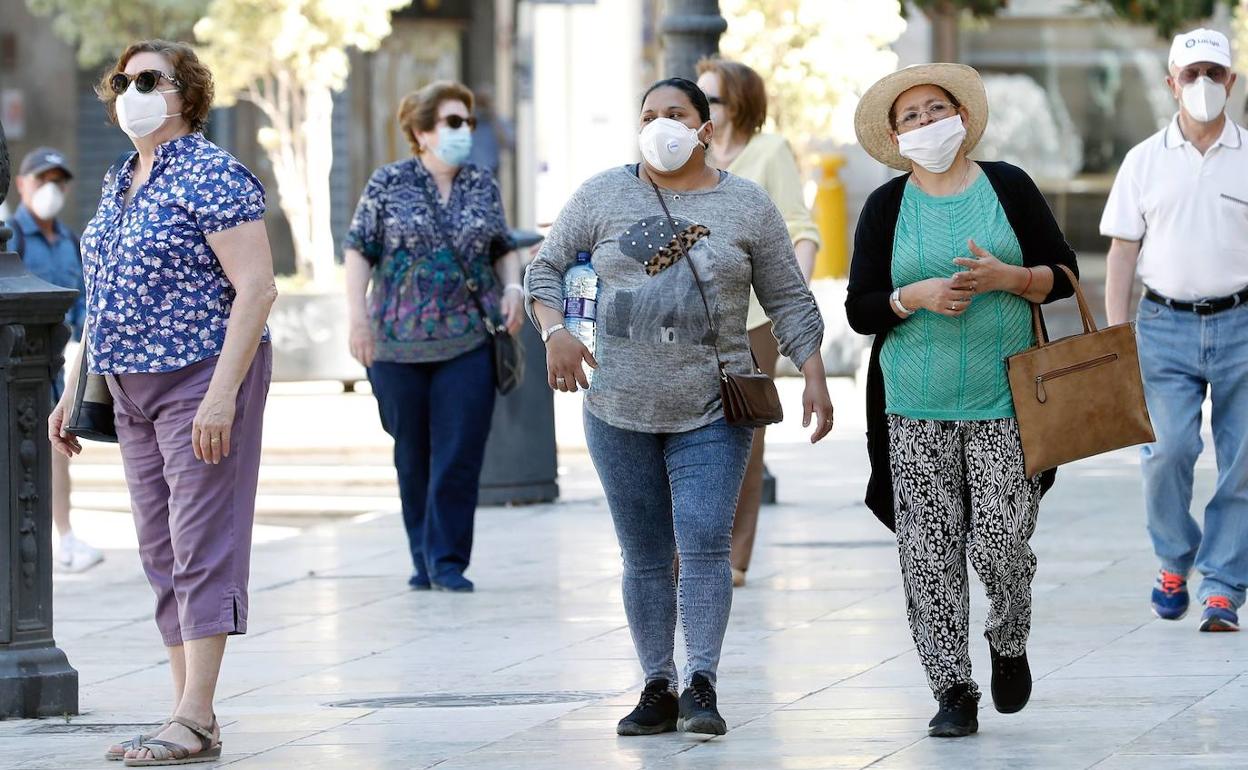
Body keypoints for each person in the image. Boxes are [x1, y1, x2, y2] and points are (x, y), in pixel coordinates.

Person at [526, 77, 833, 737]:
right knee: (642, 552)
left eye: (676, 114)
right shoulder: (604, 194)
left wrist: (814, 374)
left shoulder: (745, 204)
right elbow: (544, 270)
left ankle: (702, 682)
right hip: (617, 406)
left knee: (701, 540)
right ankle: (656, 684)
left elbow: (786, 295)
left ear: (703, 128)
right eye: (649, 115)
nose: (660, 125)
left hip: (713, 407)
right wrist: (555, 333)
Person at [49, 40, 276, 766]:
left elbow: (258, 289)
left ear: (188, 93)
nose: (132, 92)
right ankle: (189, 717)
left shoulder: (211, 173)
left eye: (150, 80)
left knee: (201, 543)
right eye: (123, 80)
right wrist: (75, 387)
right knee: (159, 550)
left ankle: (194, 713)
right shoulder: (121, 177)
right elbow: (107, 294)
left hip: (200, 377)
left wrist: (219, 398)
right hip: (127, 388)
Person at [846, 63, 1079, 738]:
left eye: (934, 109)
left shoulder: (1007, 186)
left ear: (962, 117)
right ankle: (952, 687)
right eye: (910, 115)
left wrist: (1012, 278)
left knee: (1004, 542)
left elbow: (1062, 275)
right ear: (895, 134)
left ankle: (1008, 638)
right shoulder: (886, 207)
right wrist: (910, 297)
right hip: (912, 404)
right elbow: (861, 309)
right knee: (927, 550)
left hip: (1005, 399)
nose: (925, 122)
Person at [345, 80, 523, 594]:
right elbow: (359, 251)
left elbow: (501, 245)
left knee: (459, 453)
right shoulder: (388, 183)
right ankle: (422, 555)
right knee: (413, 453)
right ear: (421, 132)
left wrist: (512, 286)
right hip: (396, 344)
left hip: (469, 339)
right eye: (452, 122)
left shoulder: (482, 184)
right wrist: (357, 319)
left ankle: (447, 561)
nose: (464, 130)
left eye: (467, 122)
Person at [1101, 28, 1248, 634]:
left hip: (1242, 322)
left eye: (1215, 73)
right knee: (1167, 451)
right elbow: (1120, 254)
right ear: (1171, 84)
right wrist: (1115, 336)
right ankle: (1173, 557)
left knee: (1243, 460)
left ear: (1232, 82)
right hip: (1163, 325)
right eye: (1191, 75)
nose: (1203, 85)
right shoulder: (1143, 161)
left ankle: (1222, 584)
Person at [695, 57, 820, 588]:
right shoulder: (691, 156)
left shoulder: (769, 153)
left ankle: (734, 557)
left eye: (713, 100)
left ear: (739, 103)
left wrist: (790, 302)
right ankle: (691, 549)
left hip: (752, 321)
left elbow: (800, 227)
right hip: (688, 320)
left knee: (743, 437)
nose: (703, 110)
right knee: (690, 430)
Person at [12, 147, 103, 572]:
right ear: (21, 184)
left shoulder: (68, 239)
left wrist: (79, 342)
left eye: (57, 181)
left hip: (60, 363)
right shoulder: (10, 236)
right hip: (17, 363)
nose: (50, 189)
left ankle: (63, 537)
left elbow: (86, 296)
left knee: (56, 448)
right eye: (41, 179)